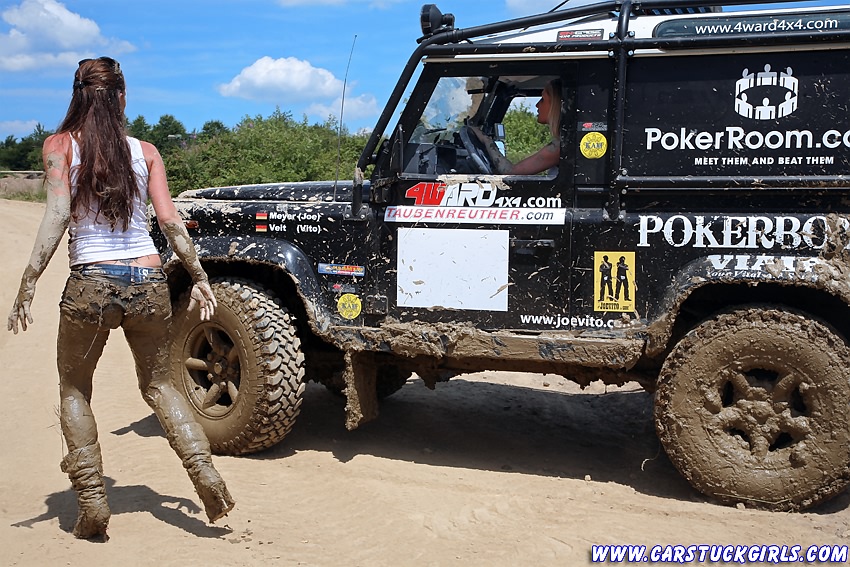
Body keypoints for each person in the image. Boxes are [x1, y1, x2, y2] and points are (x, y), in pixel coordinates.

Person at [6, 57, 234, 539]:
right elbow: (170, 222)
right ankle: (205, 476)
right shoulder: (147, 151)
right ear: (123, 97)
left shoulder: (59, 147)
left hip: (91, 285)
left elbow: (56, 217)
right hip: (149, 284)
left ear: (77, 96)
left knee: (74, 390)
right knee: (161, 387)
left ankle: (92, 505)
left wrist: (28, 280)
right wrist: (198, 275)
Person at [472, 79, 562, 175]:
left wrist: (486, 140)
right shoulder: (562, 144)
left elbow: (511, 172)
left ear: (555, 104)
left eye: (543, 99)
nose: (537, 105)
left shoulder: (560, 147)